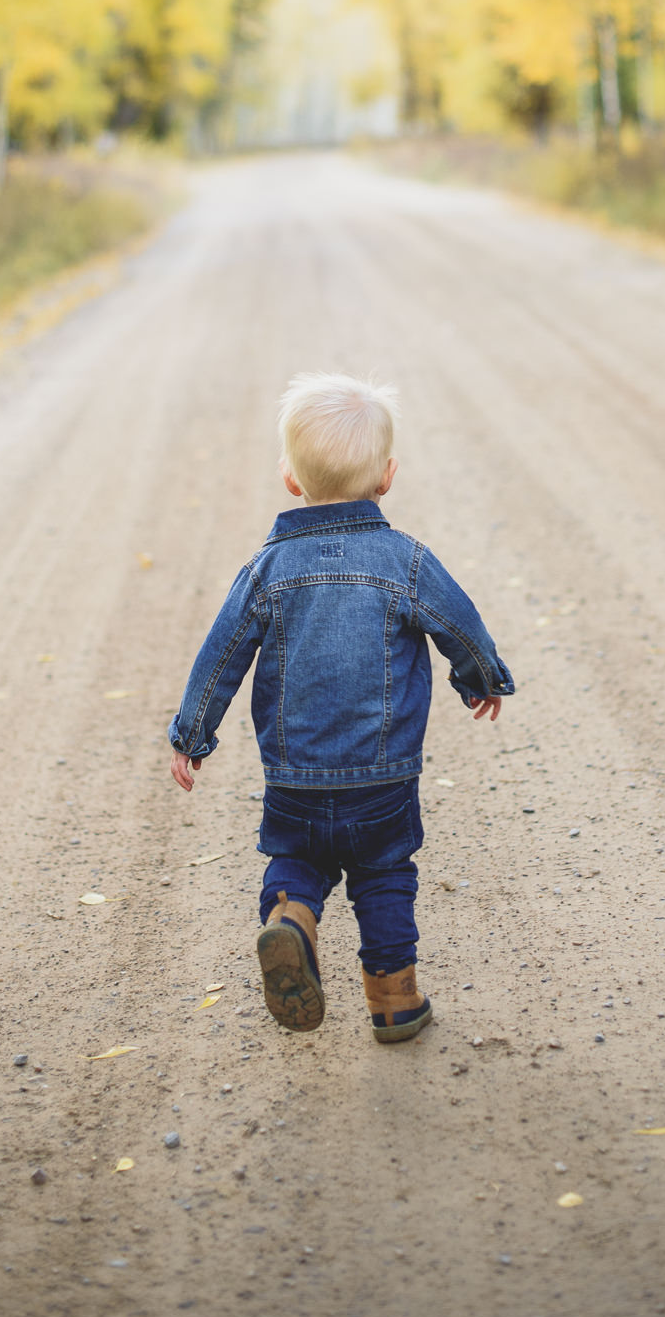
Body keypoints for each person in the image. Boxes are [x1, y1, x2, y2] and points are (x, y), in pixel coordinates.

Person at [168, 371, 514, 1044]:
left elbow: (221, 656)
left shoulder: (267, 569)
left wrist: (192, 735)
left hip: (294, 777)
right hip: (382, 776)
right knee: (384, 877)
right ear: (387, 477)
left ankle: (292, 918)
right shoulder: (405, 561)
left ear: (290, 479)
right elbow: (458, 623)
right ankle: (394, 1003)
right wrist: (482, 678)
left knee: (298, 862)